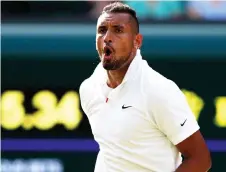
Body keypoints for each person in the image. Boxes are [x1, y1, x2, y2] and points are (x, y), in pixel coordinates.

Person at [79, 2, 211, 172]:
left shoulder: (159, 91)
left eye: (118, 30)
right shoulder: (89, 88)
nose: (107, 38)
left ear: (137, 41)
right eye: (102, 30)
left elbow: (200, 159)